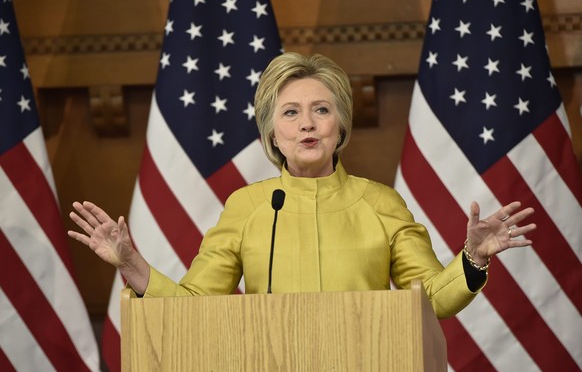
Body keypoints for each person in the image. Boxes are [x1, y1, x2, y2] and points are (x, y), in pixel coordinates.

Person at [68, 52, 536, 318]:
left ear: (341, 125)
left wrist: (473, 258)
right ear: (273, 132)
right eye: (291, 113)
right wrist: (132, 263)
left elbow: (429, 301)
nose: (307, 125)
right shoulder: (248, 206)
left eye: (321, 110)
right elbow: (196, 307)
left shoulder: (380, 203)